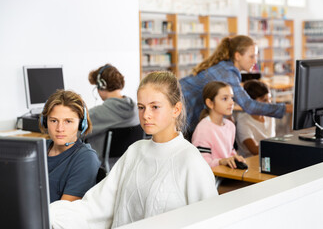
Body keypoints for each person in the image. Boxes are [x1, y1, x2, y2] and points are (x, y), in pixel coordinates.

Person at [50, 71, 218, 228]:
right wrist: (49, 214)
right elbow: (97, 206)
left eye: (155, 107)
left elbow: (211, 222)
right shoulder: (135, 151)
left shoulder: (190, 160)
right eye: (141, 107)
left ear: (176, 109)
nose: (146, 115)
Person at [179, 35, 286, 138]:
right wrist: (285, 108)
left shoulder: (226, 68)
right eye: (251, 56)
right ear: (238, 56)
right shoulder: (227, 73)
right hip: (181, 107)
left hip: (183, 106)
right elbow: (249, 105)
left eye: (256, 56)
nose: (255, 61)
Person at [39, 89, 100, 203]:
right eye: (53, 121)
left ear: (81, 124)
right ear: (45, 121)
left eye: (68, 121)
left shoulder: (85, 158)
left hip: (50, 220)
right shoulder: (38, 149)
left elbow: (64, 212)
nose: (59, 128)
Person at [86, 64, 139, 159]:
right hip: (130, 165)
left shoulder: (96, 113)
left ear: (101, 85)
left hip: (103, 168)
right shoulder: (137, 109)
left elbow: (72, 132)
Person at [191, 81, 246, 169]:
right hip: (213, 179)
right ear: (210, 103)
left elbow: (230, 151)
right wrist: (221, 161)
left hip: (228, 174)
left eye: (232, 98)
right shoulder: (203, 129)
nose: (231, 102)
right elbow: (201, 163)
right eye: (225, 99)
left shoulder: (230, 125)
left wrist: (235, 158)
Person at [235, 79, 276, 157]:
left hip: (268, 157)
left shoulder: (270, 116)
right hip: (250, 162)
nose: (269, 104)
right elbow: (254, 150)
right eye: (264, 100)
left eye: (269, 99)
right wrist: (277, 147)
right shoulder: (243, 121)